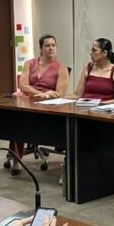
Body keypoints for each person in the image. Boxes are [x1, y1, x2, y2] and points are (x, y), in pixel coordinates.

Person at [9, 34, 70, 175]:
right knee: (16, 120)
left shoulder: (61, 68)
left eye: (53, 45)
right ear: (40, 48)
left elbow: (60, 92)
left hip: (48, 104)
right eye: (47, 45)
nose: (51, 48)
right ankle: (16, 159)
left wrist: (46, 95)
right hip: (28, 100)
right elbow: (23, 85)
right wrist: (38, 93)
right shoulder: (29, 63)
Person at [72, 38, 114, 104]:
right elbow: (77, 95)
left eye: (94, 50)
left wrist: (102, 104)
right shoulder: (88, 67)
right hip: (84, 107)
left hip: (104, 110)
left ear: (104, 53)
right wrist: (60, 99)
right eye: (91, 50)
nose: (91, 53)